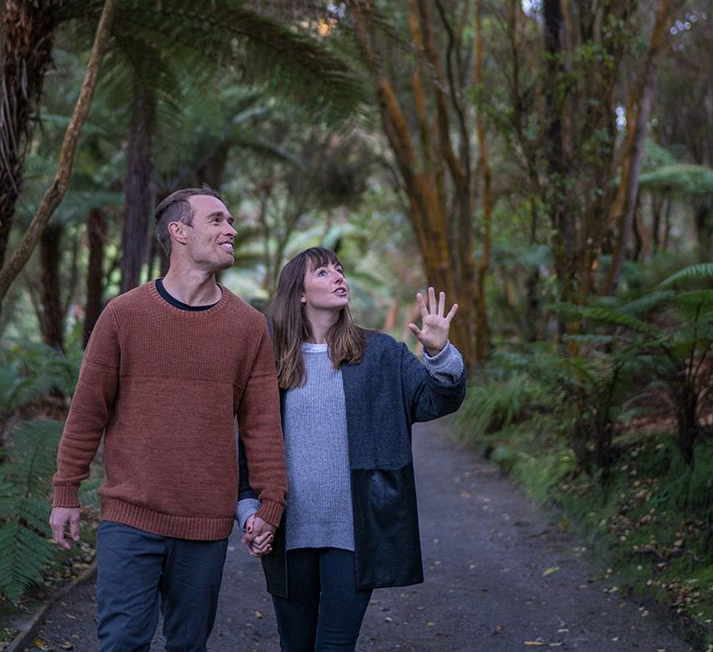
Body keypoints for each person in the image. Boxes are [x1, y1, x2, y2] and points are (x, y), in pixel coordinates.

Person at [49, 187, 288, 652]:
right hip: (130, 517)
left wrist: (270, 503)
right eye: (217, 220)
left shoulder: (248, 326)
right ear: (179, 232)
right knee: (120, 642)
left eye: (230, 221)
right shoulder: (123, 315)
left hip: (205, 525)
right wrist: (66, 491)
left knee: (188, 645)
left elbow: (262, 425)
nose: (231, 230)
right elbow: (87, 411)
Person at [237, 246, 466, 652]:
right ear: (300, 293)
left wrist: (438, 352)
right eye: (323, 272)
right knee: (295, 644)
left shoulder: (379, 353)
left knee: (337, 645)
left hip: (355, 531)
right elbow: (249, 445)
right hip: (287, 529)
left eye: (339, 270)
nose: (338, 277)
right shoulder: (268, 361)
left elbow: (436, 400)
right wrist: (249, 512)